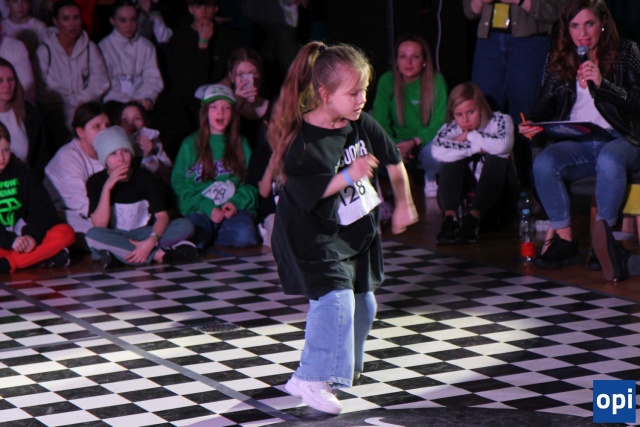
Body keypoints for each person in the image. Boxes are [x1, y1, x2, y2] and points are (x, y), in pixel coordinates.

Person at [267, 41, 418, 414]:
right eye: (352, 93)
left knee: (364, 302)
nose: (361, 99)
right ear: (324, 94)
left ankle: (340, 369)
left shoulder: (360, 122)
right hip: (310, 235)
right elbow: (310, 189)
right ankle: (311, 376)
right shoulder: (301, 140)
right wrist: (349, 174)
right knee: (336, 299)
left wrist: (405, 203)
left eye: (364, 90)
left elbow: (394, 160)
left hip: (354, 233)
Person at [519, 0, 640, 269]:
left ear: (603, 22)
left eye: (589, 24)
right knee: (545, 162)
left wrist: (603, 84)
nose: (582, 33)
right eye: (574, 26)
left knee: (609, 159)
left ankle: (602, 245)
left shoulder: (627, 51)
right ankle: (565, 243)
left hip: (622, 138)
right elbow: (543, 105)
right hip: (580, 141)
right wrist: (530, 123)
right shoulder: (560, 57)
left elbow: (637, 102)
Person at [463, 0, 563, 188]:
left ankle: (531, 188)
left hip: (530, 42)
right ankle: (485, 188)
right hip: (488, 41)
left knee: (526, 117)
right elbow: (469, 10)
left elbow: (557, 10)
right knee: (483, 114)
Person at [85, 126, 197, 269]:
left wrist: (151, 241)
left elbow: (162, 216)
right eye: (113, 154)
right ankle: (158, 255)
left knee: (185, 225)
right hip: (116, 235)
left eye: (125, 151)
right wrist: (107, 188)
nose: (121, 158)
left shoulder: (145, 177)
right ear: (104, 159)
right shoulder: (95, 182)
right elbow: (99, 225)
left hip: (145, 233)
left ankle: (119, 255)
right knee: (93, 235)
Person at [171, 84, 260, 249]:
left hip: (232, 211)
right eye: (214, 107)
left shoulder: (241, 143)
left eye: (226, 108)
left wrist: (235, 203)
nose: (220, 112)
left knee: (245, 236)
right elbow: (179, 184)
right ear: (205, 112)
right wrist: (206, 207)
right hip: (200, 209)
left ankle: (213, 235)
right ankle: (207, 235)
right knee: (195, 237)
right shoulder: (189, 144)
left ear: (233, 113)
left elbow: (252, 182)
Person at [431, 82, 516, 244]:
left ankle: (474, 218)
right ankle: (450, 219)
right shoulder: (453, 126)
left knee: (498, 155)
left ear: (481, 107)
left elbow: (503, 146)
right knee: (450, 158)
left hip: (498, 199)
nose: (465, 120)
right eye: (459, 114)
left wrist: (470, 136)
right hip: (465, 196)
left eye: (471, 112)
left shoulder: (500, 120)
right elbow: (436, 151)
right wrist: (477, 148)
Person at [372, 34, 447, 197]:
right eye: (403, 56)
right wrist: (395, 146)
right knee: (370, 144)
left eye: (415, 57)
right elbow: (380, 121)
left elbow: (440, 121)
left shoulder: (436, 80)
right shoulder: (387, 80)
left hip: (423, 144)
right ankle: (395, 183)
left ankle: (430, 178)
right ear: (396, 61)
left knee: (441, 152)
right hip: (396, 144)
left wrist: (415, 141)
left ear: (424, 61)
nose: (408, 62)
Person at [0, 121, 76, 273]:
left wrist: (32, 236)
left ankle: (8, 263)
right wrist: (10, 241)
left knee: (65, 233)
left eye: (6, 150)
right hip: (4, 242)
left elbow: (42, 211)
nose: (1, 157)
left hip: (22, 239)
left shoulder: (21, 171)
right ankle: (38, 258)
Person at [35, 0, 109, 150]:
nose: (72, 24)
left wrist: (82, 99)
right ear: (56, 21)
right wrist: (62, 101)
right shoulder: (45, 50)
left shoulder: (89, 47)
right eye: (66, 19)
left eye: (76, 18)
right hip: (57, 109)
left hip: (84, 105)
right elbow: (39, 87)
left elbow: (100, 80)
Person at [167, 0, 241, 134]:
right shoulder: (179, 37)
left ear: (216, 8)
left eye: (208, 5)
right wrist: (203, 43)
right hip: (190, 100)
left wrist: (229, 80)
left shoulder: (228, 36)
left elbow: (236, 65)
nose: (204, 11)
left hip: (222, 95)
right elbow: (191, 80)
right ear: (191, 9)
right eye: (198, 6)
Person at [44, 102, 109, 241]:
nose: (105, 131)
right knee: (97, 234)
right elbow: (85, 207)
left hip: (97, 211)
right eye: (97, 126)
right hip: (63, 213)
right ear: (81, 132)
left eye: (107, 125)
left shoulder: (110, 151)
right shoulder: (68, 157)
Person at [99, 0, 164, 111]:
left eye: (133, 20)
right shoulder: (104, 47)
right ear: (112, 21)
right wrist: (129, 102)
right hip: (116, 103)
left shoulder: (146, 46)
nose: (128, 26)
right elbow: (105, 84)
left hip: (143, 102)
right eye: (123, 20)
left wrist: (147, 98)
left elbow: (152, 79)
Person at [0, 57, 48, 180]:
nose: (7, 85)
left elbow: (40, 156)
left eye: (11, 79)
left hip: (26, 181)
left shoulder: (29, 112)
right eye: (0, 80)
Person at [218, 47, 270, 148]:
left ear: (260, 73)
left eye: (252, 73)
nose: (247, 80)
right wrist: (235, 104)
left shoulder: (274, 107)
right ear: (231, 77)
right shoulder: (223, 109)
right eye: (241, 74)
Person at [116, 100, 172, 185]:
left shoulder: (154, 142)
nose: (131, 123)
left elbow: (167, 176)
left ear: (145, 123)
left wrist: (148, 157)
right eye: (125, 119)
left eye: (137, 118)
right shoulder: (114, 146)